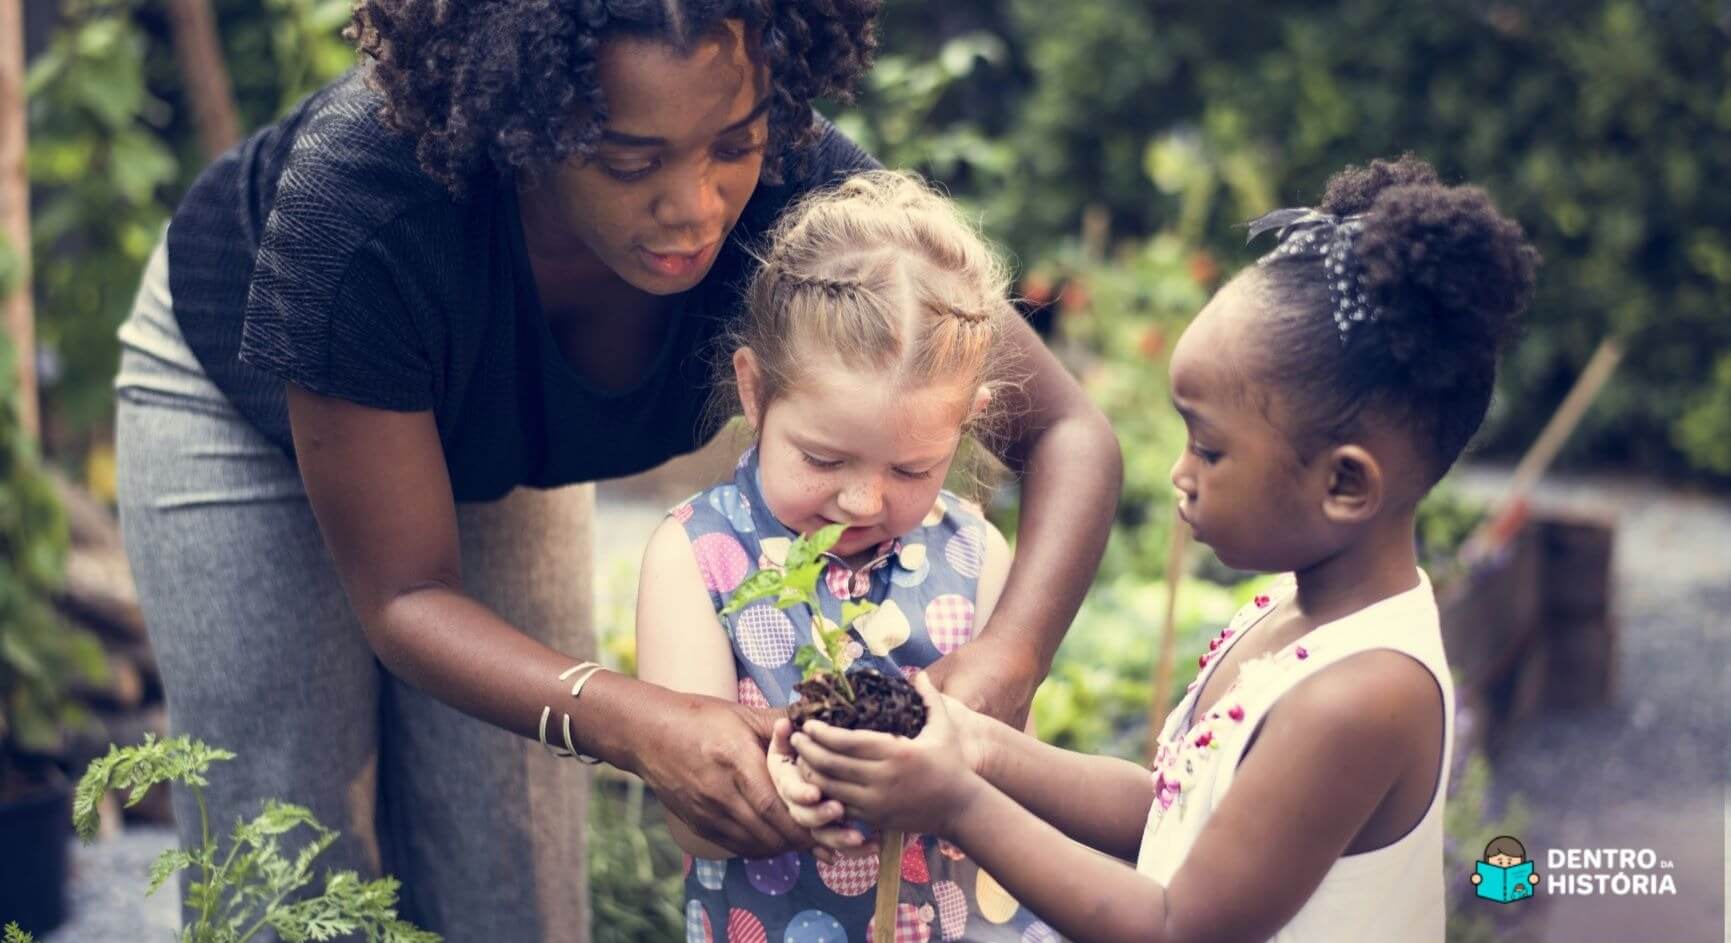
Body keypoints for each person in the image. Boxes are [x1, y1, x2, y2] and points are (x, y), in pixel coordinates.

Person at [112, 4, 1122, 940]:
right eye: (629, 160)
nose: (696, 207)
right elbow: (407, 596)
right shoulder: (361, 208)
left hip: (500, 442)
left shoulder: (801, 198)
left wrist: (1007, 660)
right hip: (242, 403)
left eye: (732, 144)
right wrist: (640, 722)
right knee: (284, 850)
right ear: (525, 126)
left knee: (510, 870)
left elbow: (1070, 432)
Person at [773, 156, 1540, 942]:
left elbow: (1176, 925)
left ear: (1344, 484)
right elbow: (1168, 809)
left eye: (1208, 448)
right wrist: (979, 748)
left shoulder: (1358, 695)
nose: (1179, 472)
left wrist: (957, 803)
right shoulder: (1291, 612)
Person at [637, 170, 1058, 941]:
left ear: (967, 422)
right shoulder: (697, 558)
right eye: (824, 459)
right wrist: (781, 796)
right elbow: (691, 819)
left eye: (911, 468)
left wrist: (960, 768)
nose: (863, 502)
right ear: (755, 391)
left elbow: (1013, 772)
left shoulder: (974, 554)